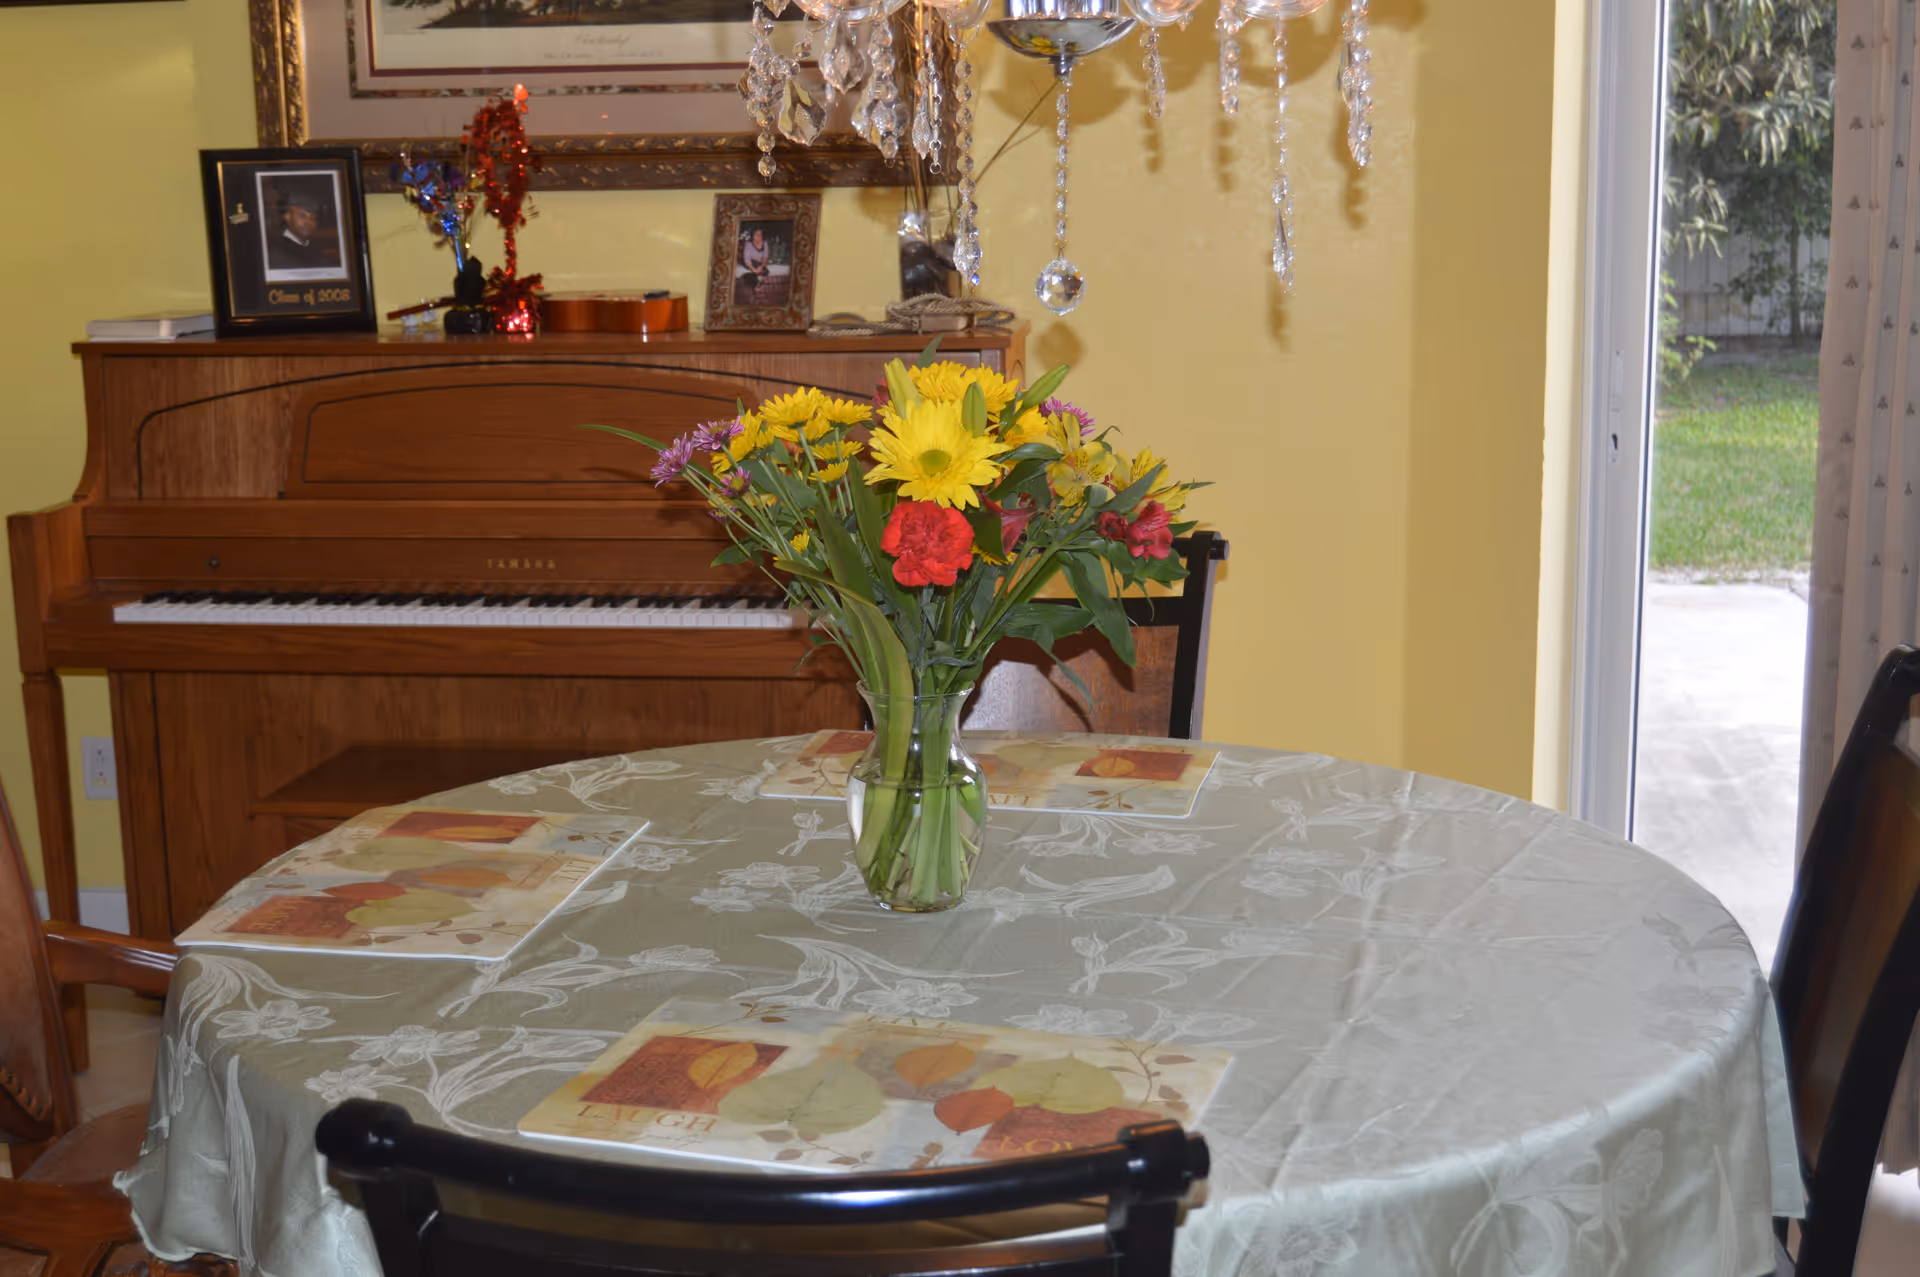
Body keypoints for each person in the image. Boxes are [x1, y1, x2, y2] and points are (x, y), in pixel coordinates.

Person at [265, 190, 338, 272]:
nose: (308, 223)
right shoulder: (278, 252)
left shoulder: (314, 248)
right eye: (302, 216)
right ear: (288, 216)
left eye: (313, 218)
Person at [734, 227, 770, 304]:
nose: (758, 237)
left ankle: (758, 285)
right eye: (756, 235)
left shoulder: (765, 243)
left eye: (760, 235)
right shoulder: (748, 245)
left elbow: (765, 257)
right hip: (749, 263)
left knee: (765, 271)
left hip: (760, 263)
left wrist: (762, 266)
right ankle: (756, 285)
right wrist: (754, 270)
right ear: (752, 236)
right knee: (757, 274)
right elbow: (746, 259)